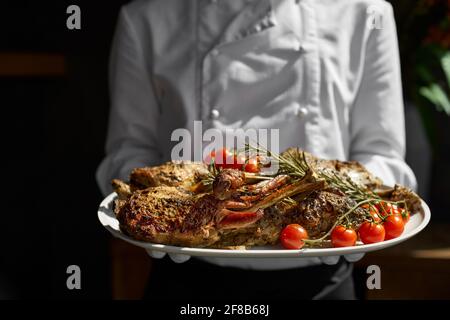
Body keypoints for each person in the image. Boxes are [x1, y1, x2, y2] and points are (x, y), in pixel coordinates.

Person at [96, 0, 417, 300]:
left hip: (323, 280)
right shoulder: (147, 19)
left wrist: (361, 211)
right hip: (187, 282)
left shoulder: (365, 13)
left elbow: (382, 153)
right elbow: (128, 153)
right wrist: (169, 220)